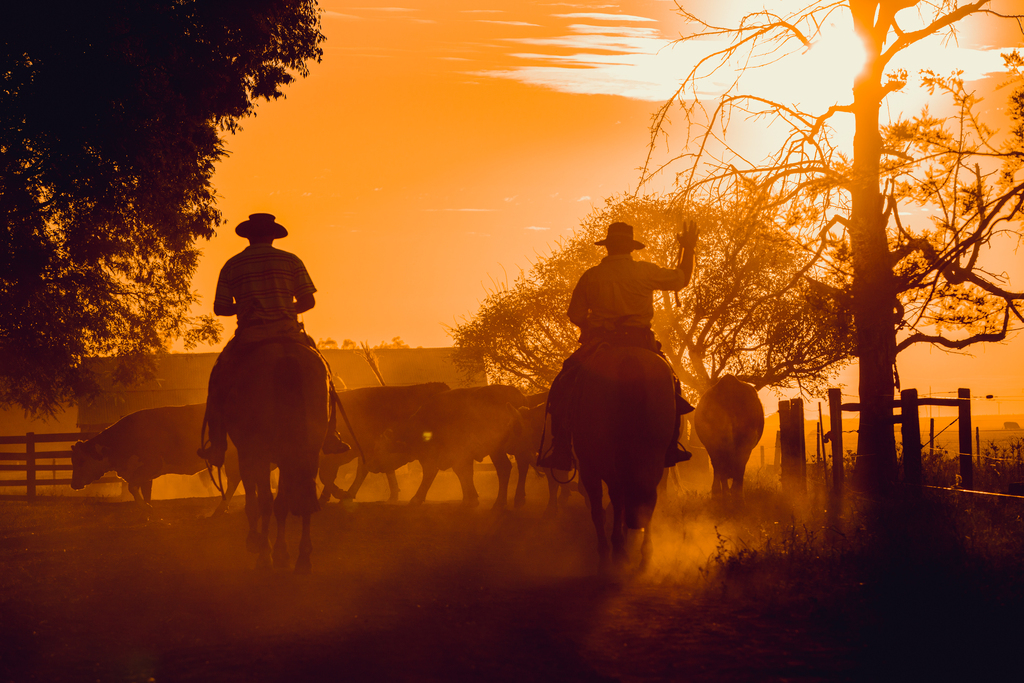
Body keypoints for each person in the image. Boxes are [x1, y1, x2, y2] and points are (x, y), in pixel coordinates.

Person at [538, 220, 699, 471]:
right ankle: (670, 447)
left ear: (608, 247)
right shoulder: (645, 271)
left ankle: (561, 448)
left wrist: (590, 326)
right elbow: (681, 279)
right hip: (641, 341)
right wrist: (688, 249)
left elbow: (575, 313)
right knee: (672, 384)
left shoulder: (591, 276)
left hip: (602, 342)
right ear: (631, 248)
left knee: (563, 383)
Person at [198, 213, 348, 465]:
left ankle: (217, 445)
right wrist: (286, 308)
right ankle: (330, 436)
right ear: (272, 236)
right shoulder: (291, 261)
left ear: (248, 236)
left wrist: (245, 307)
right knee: (325, 376)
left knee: (218, 381)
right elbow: (308, 301)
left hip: (251, 336)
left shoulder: (232, 265)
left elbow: (220, 308)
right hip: (289, 333)